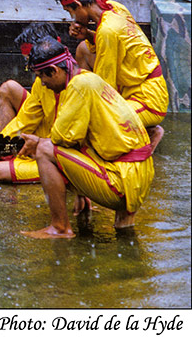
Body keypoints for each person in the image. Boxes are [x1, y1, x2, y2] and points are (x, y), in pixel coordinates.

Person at [18, 38, 154, 239]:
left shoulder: (79, 86)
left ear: (55, 70)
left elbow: (60, 138)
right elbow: (80, 139)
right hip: (138, 175)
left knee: (45, 150)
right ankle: (124, 224)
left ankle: (60, 228)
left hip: (122, 181)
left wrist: (37, 142)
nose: (43, 84)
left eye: (41, 77)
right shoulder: (89, 78)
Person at [55, 0, 167, 150]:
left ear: (78, 5)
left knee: (93, 123)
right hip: (139, 84)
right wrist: (89, 35)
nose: (73, 18)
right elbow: (119, 45)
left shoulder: (108, 31)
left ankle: (148, 133)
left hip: (149, 100)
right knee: (84, 49)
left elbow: (104, 86)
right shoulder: (114, 7)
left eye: (71, 12)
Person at [0, 22, 61, 183]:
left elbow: (69, 139)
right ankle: (1, 157)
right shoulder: (42, 82)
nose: (30, 68)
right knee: (8, 88)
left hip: (66, 154)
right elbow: (25, 119)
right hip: (47, 135)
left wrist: (38, 146)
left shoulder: (74, 83)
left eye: (30, 61)